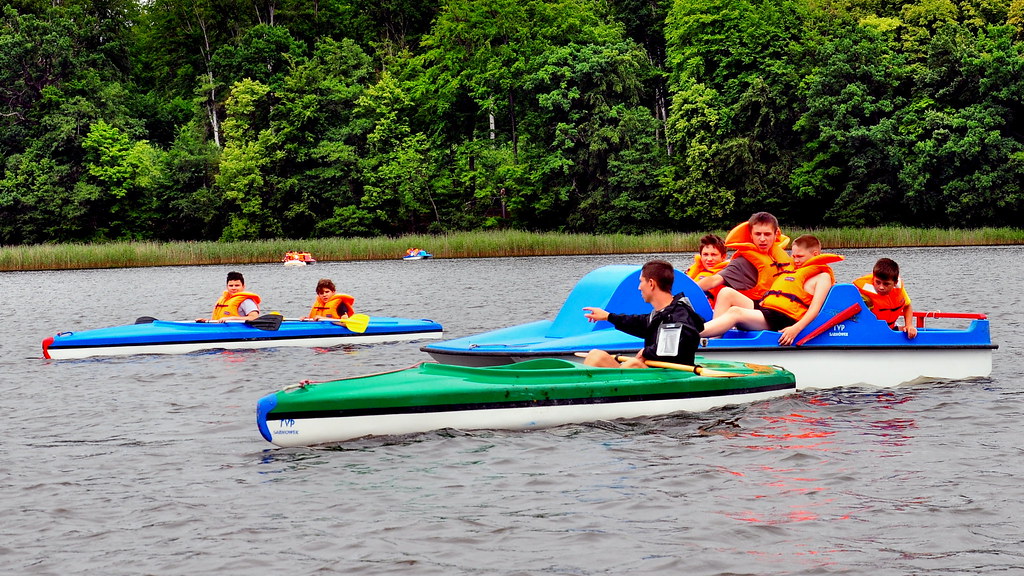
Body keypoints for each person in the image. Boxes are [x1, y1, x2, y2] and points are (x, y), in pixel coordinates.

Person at [699, 235, 842, 346]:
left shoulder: (822, 276)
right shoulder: (792, 271)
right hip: (769, 311)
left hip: (784, 319)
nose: (796, 260)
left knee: (735, 312)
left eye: (800, 257)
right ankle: (713, 341)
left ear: (816, 254)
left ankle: (691, 334)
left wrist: (795, 329)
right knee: (726, 293)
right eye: (793, 256)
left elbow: (814, 310)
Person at [580, 259, 705, 368]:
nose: (639, 287)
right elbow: (638, 322)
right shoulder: (659, 314)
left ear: (651, 283)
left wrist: (646, 352)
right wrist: (608, 316)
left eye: (641, 281)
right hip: (654, 373)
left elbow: (675, 345)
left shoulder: (680, 316)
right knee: (596, 355)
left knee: (632, 365)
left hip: (670, 378)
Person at [697, 212, 793, 317]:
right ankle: (715, 330)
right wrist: (683, 291)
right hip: (760, 312)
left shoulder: (782, 258)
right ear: (751, 235)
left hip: (785, 310)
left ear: (776, 234)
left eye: (767, 234)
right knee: (726, 293)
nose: (762, 239)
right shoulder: (742, 262)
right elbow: (714, 280)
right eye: (757, 234)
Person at [853, 258, 917, 338]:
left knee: (912, 334)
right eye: (878, 282)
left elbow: (907, 306)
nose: (881, 287)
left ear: (895, 283)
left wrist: (909, 325)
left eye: (886, 284)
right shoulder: (863, 294)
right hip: (869, 333)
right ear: (874, 278)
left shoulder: (898, 288)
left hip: (889, 329)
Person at [684, 234, 729, 307]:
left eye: (714, 255)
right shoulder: (695, 270)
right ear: (701, 256)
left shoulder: (729, 273)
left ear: (723, 257)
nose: (709, 259)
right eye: (705, 254)